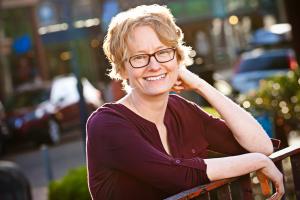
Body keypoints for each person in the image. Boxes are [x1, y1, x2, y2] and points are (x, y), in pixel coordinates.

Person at [86, 4, 284, 200]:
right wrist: (255, 162)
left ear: (177, 58)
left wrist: (201, 85)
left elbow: (262, 147)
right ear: (121, 69)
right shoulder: (106, 124)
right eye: (139, 57)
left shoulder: (181, 110)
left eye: (163, 52)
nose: (154, 65)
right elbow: (174, 175)